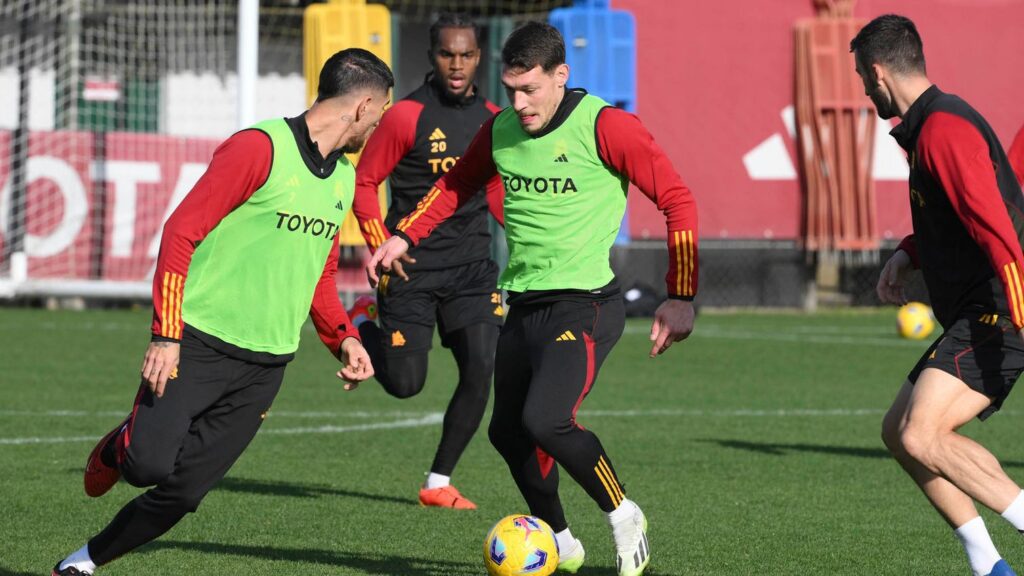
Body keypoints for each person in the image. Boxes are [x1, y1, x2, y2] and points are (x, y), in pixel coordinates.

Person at [367, 21, 698, 576]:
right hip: (523, 304)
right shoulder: (500, 131)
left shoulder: (606, 126)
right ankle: (563, 541)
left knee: (547, 419)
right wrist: (403, 234)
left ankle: (623, 514)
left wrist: (680, 294)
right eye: (512, 89)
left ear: (560, 76)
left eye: (530, 90)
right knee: (506, 432)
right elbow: (455, 187)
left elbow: (677, 199)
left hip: (586, 303)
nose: (519, 104)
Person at [52, 48, 390, 575]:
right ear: (364, 104)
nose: (378, 127)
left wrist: (343, 338)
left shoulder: (343, 179)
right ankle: (120, 446)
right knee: (147, 466)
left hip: (267, 367)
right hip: (198, 343)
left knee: (183, 494)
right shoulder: (258, 148)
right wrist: (166, 335)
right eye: (381, 115)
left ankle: (83, 562)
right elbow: (180, 232)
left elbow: (319, 275)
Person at [855, 15, 1024, 576]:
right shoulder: (928, 127)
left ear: (878, 72)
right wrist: (908, 253)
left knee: (922, 433)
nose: (861, 89)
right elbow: (951, 215)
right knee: (899, 433)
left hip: (1002, 308)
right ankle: (988, 565)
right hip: (984, 308)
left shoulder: (944, 129)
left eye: (860, 76)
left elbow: (997, 229)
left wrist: (1019, 315)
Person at [348, 13, 504, 510]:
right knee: (404, 385)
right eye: (447, 54)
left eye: (467, 55)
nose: (457, 65)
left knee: (481, 366)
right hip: (409, 270)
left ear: (480, 57)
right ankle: (363, 322)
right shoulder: (405, 115)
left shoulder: (496, 118)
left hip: (472, 269)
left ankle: (438, 482)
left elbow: (497, 189)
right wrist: (378, 243)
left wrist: (525, 237)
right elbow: (364, 182)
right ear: (431, 57)